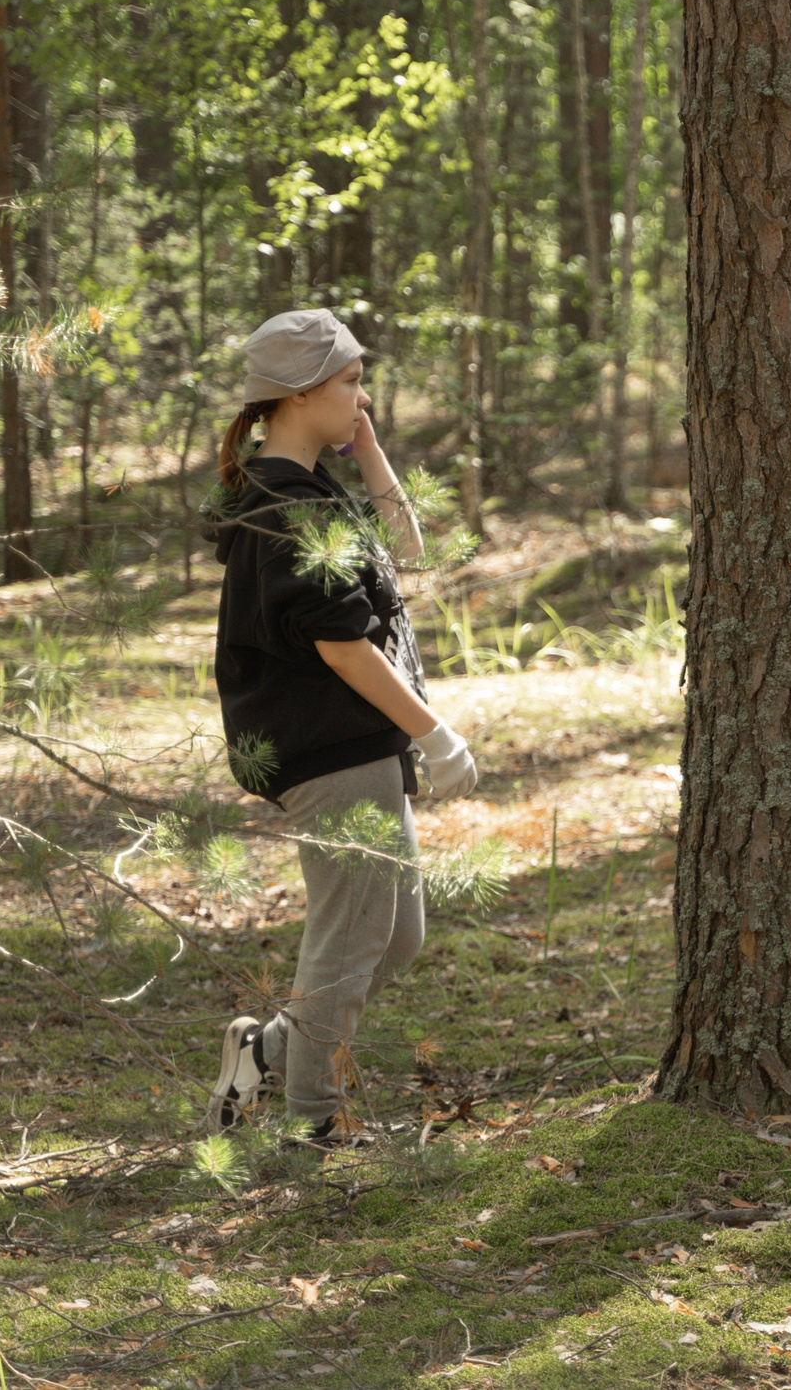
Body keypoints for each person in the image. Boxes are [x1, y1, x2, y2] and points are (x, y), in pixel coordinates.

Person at [204, 309, 480, 1145]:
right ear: (296, 392)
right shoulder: (285, 503)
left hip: (358, 744)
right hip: (331, 748)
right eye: (351, 381)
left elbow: (411, 547)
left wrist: (366, 447)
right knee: (350, 934)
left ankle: (267, 1052)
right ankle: (316, 1122)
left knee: (395, 935)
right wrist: (437, 734)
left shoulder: (313, 485)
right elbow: (342, 645)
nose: (365, 398)